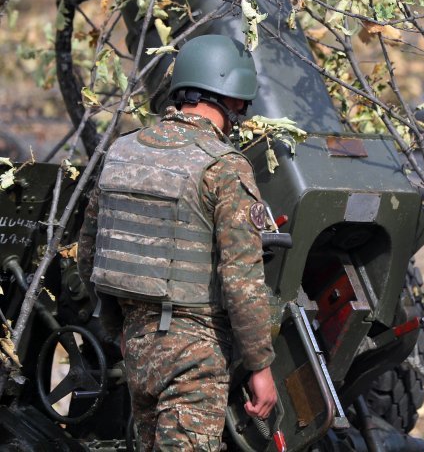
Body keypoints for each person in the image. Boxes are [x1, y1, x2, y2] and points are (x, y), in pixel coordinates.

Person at [77, 34, 277, 450]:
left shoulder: (121, 152)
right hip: (196, 355)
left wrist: (121, 328)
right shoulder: (224, 167)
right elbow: (242, 281)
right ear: (233, 100)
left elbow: (90, 253)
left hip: (137, 346)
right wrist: (260, 366)